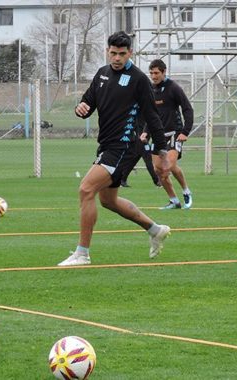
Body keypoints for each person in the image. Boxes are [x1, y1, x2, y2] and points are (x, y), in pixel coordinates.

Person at [57, 31, 171, 267]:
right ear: (107, 51)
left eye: (122, 53)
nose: (117, 58)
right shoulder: (102, 74)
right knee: (108, 200)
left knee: (86, 189)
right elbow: (88, 102)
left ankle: (82, 254)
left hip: (124, 145)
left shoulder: (139, 79)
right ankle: (155, 229)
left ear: (130, 52)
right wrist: (81, 108)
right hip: (107, 144)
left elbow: (152, 115)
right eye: (113, 53)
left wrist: (162, 151)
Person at [139, 59, 195, 209]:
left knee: (167, 166)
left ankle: (186, 191)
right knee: (160, 172)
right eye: (151, 73)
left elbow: (188, 109)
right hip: (158, 136)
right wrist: (145, 132)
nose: (153, 76)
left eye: (156, 73)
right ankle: (174, 201)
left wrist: (185, 131)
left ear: (164, 72)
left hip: (174, 134)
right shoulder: (150, 90)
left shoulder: (174, 88)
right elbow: (151, 115)